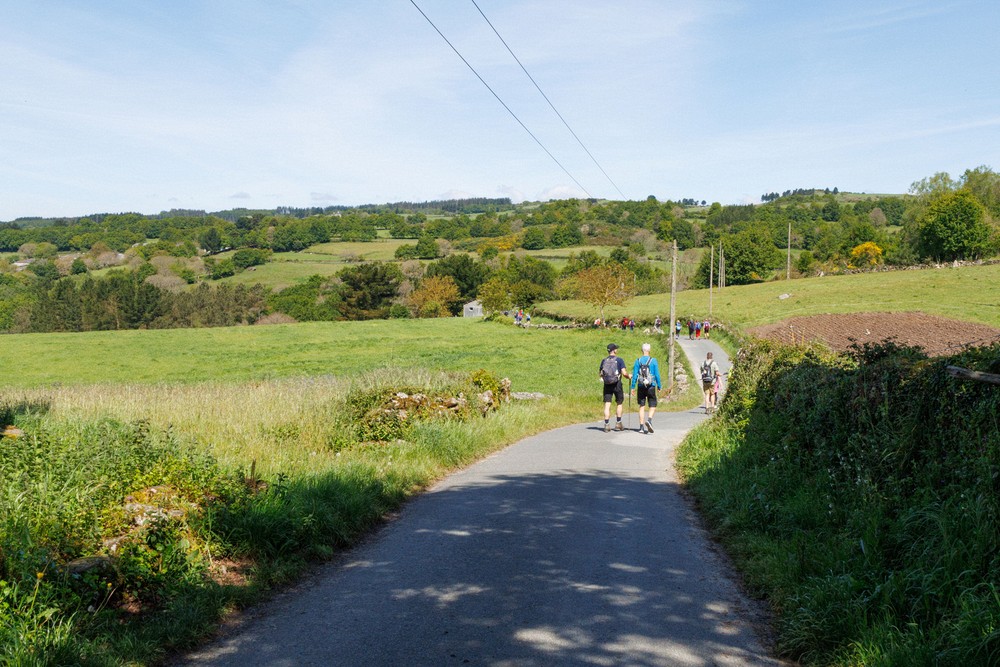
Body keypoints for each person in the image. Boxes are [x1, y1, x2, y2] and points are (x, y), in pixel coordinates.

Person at [630, 342, 661, 434]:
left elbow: (635, 374)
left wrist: (632, 387)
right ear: (649, 350)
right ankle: (649, 420)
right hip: (651, 386)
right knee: (652, 405)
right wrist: (659, 386)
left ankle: (641, 427)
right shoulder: (653, 361)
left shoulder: (638, 361)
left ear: (642, 350)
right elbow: (657, 375)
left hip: (640, 386)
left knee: (642, 406)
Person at [599, 343, 630, 432]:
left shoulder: (604, 361)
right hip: (617, 384)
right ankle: (618, 423)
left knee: (607, 404)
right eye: (616, 349)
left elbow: (600, 373)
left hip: (607, 384)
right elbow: (624, 373)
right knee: (619, 403)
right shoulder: (619, 360)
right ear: (614, 350)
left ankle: (606, 424)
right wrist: (629, 376)